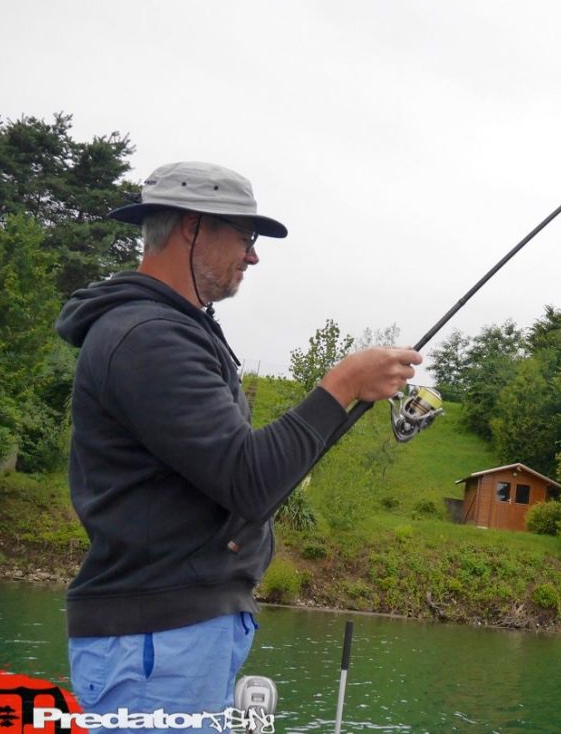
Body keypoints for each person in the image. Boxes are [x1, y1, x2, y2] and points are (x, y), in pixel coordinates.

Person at [55, 161, 421, 730]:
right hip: (159, 642)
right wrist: (342, 384)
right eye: (246, 237)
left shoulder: (168, 330)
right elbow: (249, 479)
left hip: (173, 636)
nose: (253, 256)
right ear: (192, 227)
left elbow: (243, 475)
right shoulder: (149, 338)